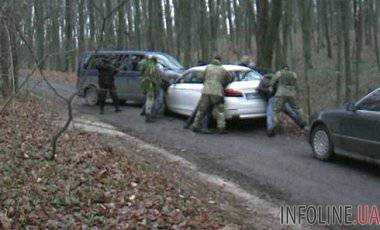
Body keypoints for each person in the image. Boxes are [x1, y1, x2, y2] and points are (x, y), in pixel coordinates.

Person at [190, 56, 233, 134]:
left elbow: (202, 77)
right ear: (220, 60)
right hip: (217, 92)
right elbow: (229, 79)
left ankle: (195, 126)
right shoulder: (223, 69)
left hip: (205, 91)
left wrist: (206, 83)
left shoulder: (207, 68)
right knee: (220, 110)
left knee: (201, 110)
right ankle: (221, 128)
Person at [267, 66, 307, 137]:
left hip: (281, 93)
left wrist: (270, 85)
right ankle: (302, 122)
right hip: (291, 94)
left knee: (275, 110)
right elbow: (296, 84)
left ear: (282, 68)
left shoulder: (280, 73)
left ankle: (272, 127)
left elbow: (273, 80)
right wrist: (297, 92)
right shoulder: (293, 74)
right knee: (295, 109)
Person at [139, 56, 164, 122]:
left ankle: (146, 113)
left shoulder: (146, 66)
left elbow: (142, 76)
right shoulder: (153, 67)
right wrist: (157, 86)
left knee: (147, 100)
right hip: (151, 86)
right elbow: (154, 78)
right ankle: (148, 117)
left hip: (145, 86)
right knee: (150, 101)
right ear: (155, 61)